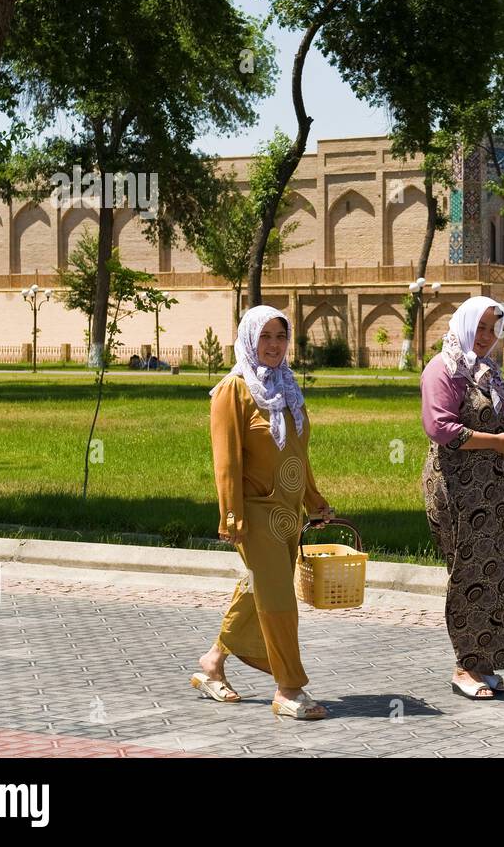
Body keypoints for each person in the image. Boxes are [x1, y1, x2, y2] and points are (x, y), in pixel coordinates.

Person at [193, 305, 334, 720]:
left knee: (258, 589)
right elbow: (226, 463)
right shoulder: (232, 392)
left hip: (288, 514)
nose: (274, 346)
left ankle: (213, 661)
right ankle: (289, 688)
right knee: (278, 598)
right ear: (249, 340)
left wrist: (313, 498)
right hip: (255, 515)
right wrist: (231, 516)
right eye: (265, 337)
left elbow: (297, 453)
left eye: (280, 337)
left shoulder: (288, 388)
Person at [420, 295, 504, 699]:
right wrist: (496, 442)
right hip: (458, 490)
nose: (486, 337)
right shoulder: (444, 369)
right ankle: (464, 666)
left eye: (493, 329)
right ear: (465, 325)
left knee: (498, 571)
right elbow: (440, 428)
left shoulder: (487, 372)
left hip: (494, 489)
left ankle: (483, 661)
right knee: (468, 572)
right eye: (481, 327)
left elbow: (498, 419)